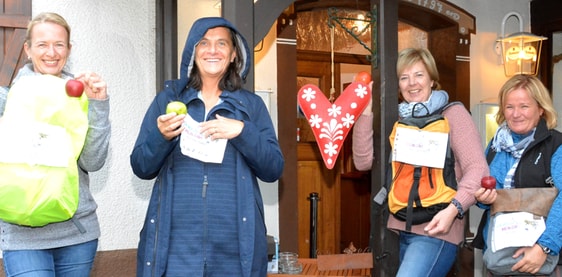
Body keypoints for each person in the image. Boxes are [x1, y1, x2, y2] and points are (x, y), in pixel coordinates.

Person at [130, 17, 284, 277]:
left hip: (235, 249)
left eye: (221, 43)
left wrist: (242, 132)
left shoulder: (251, 106)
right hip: (176, 248)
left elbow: (273, 169)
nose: (212, 50)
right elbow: (141, 166)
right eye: (204, 43)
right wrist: (161, 136)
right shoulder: (168, 100)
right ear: (193, 51)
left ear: (234, 54)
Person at [352, 48, 488, 276]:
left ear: (432, 79)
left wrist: (453, 210)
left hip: (438, 229)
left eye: (419, 75)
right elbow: (362, 161)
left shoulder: (453, 114)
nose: (411, 83)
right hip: (397, 229)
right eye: (404, 78)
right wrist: (365, 112)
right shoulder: (395, 119)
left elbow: (478, 169)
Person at [0, 12, 110, 276]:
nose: (51, 52)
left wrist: (98, 103)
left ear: (69, 50)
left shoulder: (81, 95)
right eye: (42, 44)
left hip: (76, 233)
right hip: (22, 234)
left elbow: (92, 161)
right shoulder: (6, 99)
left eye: (59, 44)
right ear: (27, 49)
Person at [474, 74, 562, 276]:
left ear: (541, 109)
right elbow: (487, 198)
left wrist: (544, 247)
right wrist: (482, 198)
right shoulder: (496, 145)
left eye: (524, 106)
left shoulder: (556, 145)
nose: (516, 114)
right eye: (509, 107)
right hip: (499, 255)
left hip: (539, 258)